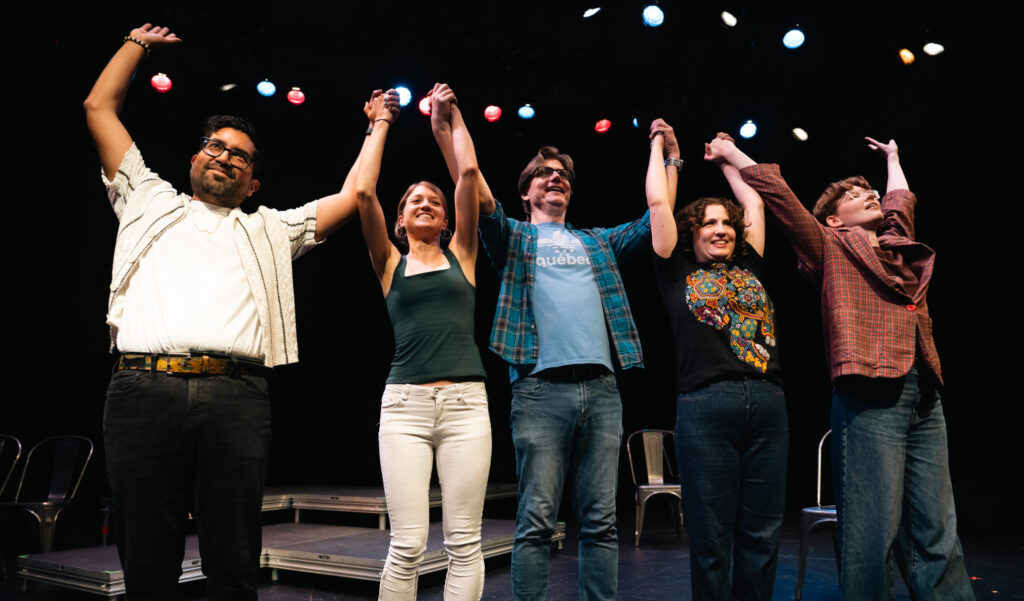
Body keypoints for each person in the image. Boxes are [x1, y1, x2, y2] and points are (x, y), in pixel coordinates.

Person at [83, 23, 361, 600]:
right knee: (147, 558)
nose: (227, 158)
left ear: (253, 182)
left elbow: (352, 197)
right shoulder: (147, 198)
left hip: (235, 395)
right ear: (194, 158)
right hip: (143, 389)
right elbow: (98, 108)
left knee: (233, 557)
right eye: (216, 147)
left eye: (241, 156)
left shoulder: (268, 229)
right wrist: (137, 44)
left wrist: (378, 125)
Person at [715, 136, 974, 600]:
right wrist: (731, 154)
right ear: (834, 219)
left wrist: (893, 158)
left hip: (923, 392)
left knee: (937, 530)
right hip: (870, 391)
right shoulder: (827, 245)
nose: (869, 194)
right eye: (854, 195)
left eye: (869, 190)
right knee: (871, 532)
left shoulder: (896, 246)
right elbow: (780, 197)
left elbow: (900, 201)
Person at [474, 122, 674, 601]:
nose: (555, 177)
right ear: (525, 192)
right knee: (537, 520)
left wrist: (669, 158)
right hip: (540, 390)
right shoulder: (514, 237)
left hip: (602, 391)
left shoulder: (597, 242)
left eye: (562, 173)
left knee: (601, 521)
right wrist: (452, 125)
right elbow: (478, 196)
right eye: (543, 173)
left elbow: (656, 218)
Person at [351, 83, 491, 601]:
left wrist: (452, 119)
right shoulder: (389, 263)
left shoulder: (463, 255)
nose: (426, 203)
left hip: (466, 408)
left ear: (448, 218)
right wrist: (381, 122)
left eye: (435, 200)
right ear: (400, 219)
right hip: (404, 409)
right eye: (415, 200)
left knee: (464, 544)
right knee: (407, 545)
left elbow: (468, 175)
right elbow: (362, 193)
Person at [646, 127, 787, 601]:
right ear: (691, 233)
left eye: (727, 222)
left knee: (762, 534)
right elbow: (658, 204)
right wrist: (662, 149)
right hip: (706, 405)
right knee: (711, 538)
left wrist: (728, 159)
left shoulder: (751, 266)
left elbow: (756, 202)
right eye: (708, 223)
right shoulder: (675, 269)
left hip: (767, 403)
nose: (721, 229)